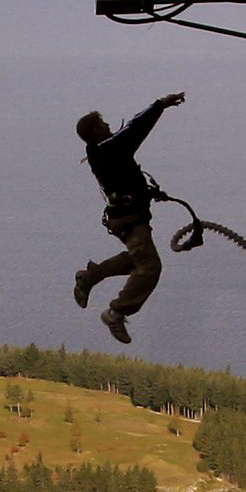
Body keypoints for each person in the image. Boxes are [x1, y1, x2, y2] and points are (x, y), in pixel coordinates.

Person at [72, 93, 184, 343]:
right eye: (103, 125)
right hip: (129, 219)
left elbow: (128, 139)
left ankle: (90, 277)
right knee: (150, 267)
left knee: (137, 260)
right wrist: (160, 105)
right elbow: (135, 129)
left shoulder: (102, 152)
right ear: (95, 132)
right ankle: (115, 312)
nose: (109, 127)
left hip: (125, 217)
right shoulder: (110, 150)